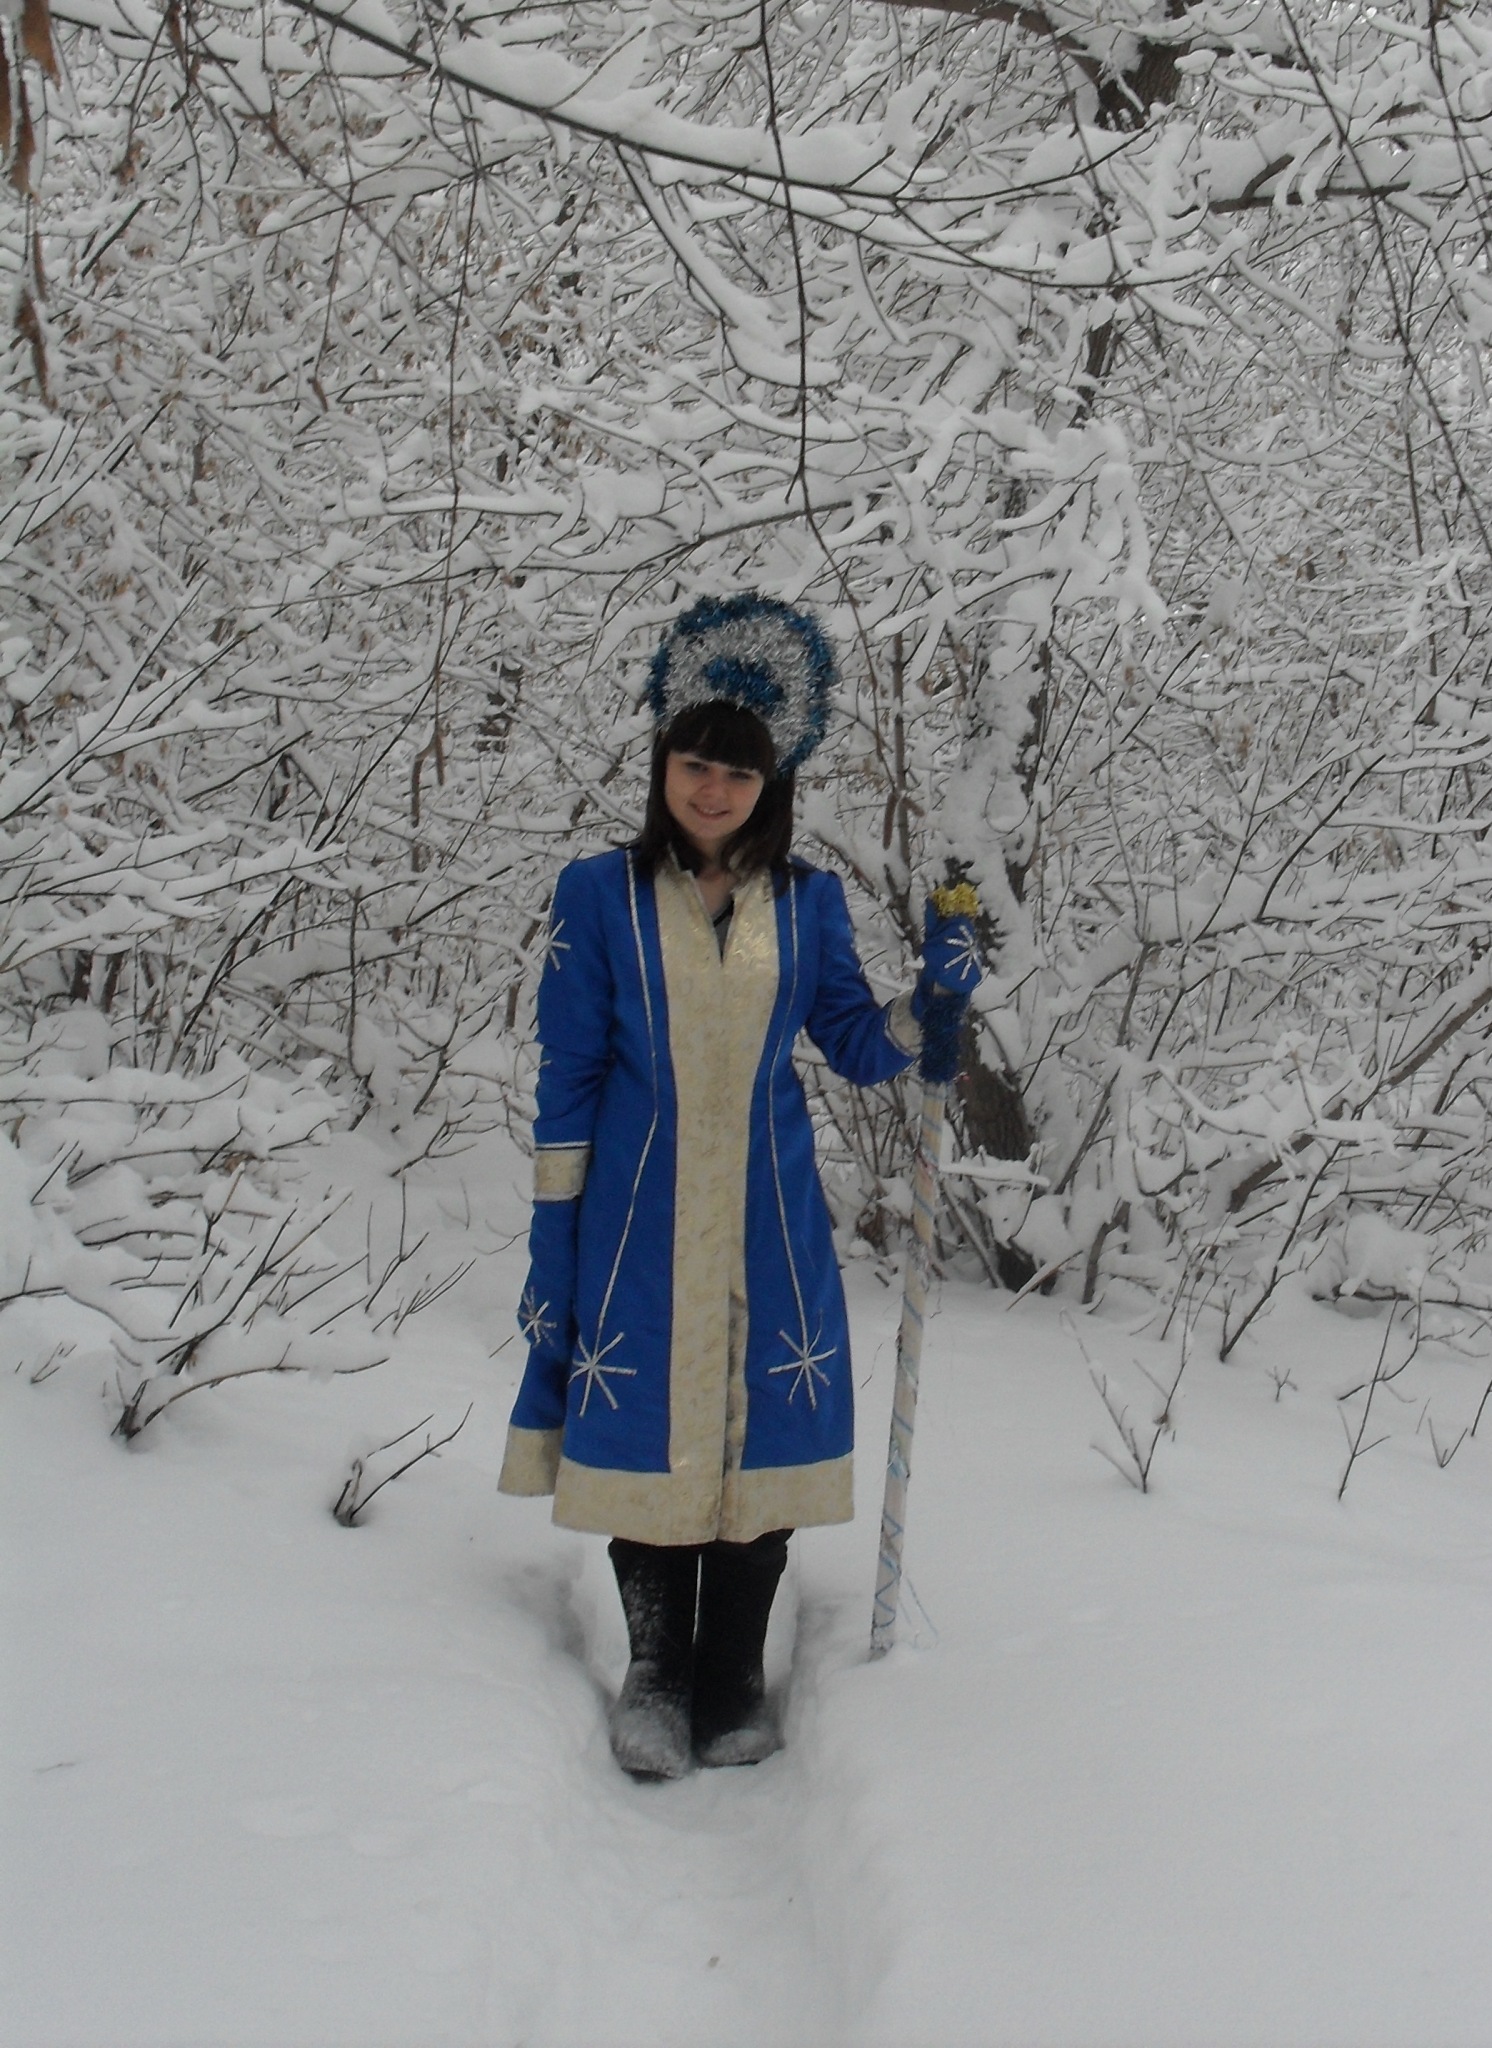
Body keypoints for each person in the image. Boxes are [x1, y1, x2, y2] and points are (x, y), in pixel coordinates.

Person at [498, 594, 980, 1778]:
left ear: (774, 781)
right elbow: (568, 1074)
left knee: (762, 1426)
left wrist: (931, 1003)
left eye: (737, 770)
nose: (712, 789)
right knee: (647, 1426)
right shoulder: (597, 894)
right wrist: (554, 1229)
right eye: (694, 763)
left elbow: (856, 1044)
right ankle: (656, 1668)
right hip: (635, 1213)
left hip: (770, 1213)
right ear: (661, 763)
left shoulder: (806, 902)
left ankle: (732, 1671)